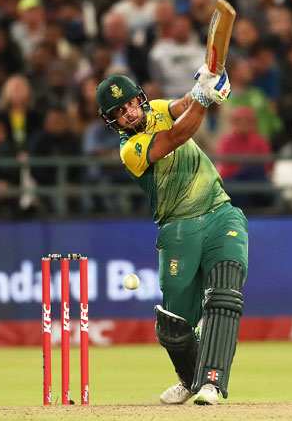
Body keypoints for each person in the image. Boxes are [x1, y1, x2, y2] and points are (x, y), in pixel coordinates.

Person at [95, 65, 246, 406]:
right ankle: (189, 378)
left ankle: (211, 382)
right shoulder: (129, 149)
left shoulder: (159, 109)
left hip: (220, 213)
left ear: (140, 98)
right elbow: (176, 136)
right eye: (119, 113)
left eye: (130, 104)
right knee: (174, 324)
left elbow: (181, 106)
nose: (128, 114)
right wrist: (204, 99)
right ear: (113, 121)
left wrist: (205, 89)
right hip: (177, 227)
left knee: (224, 294)